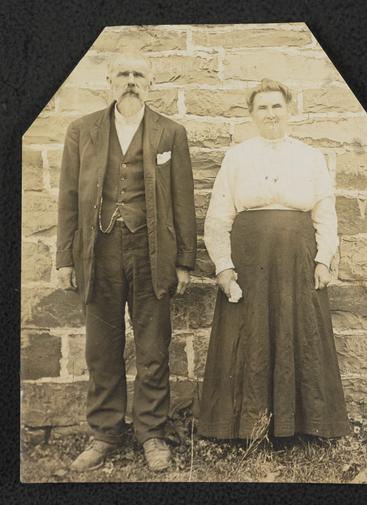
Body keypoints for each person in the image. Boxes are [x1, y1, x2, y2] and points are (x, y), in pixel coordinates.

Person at [56, 52, 196, 471]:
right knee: (101, 349)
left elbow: (184, 201)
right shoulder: (82, 131)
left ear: (150, 84)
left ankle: (152, 433)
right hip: (97, 253)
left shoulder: (171, 133)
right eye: (123, 74)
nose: (130, 81)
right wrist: (65, 258)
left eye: (138, 75)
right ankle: (104, 434)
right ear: (110, 80)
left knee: (153, 346)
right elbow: (66, 199)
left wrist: (184, 261)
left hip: (153, 254)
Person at [198, 78, 350, 442]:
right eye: (262, 107)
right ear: (252, 114)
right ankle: (244, 427)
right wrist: (223, 265)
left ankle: (301, 426)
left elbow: (325, 214)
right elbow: (219, 215)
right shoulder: (237, 157)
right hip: (250, 261)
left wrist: (324, 259)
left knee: (300, 332)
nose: (270, 114)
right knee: (248, 333)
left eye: (276, 106)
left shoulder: (310, 156)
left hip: (297, 260)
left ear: (289, 110)